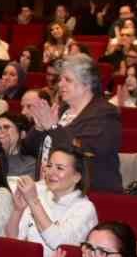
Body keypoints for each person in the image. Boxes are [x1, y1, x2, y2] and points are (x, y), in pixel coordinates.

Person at [21, 55, 122, 193]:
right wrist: (39, 128)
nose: (60, 84)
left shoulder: (105, 113)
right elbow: (28, 149)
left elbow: (83, 152)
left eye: (67, 80)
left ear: (87, 84)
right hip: (51, 190)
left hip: (90, 195)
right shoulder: (61, 110)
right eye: (60, 79)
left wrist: (53, 128)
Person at [7, 146, 99, 257]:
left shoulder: (85, 208)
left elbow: (58, 243)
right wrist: (17, 210)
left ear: (77, 176)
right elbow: (12, 238)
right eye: (49, 166)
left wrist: (33, 201)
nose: (51, 172)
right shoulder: (39, 191)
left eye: (59, 168)